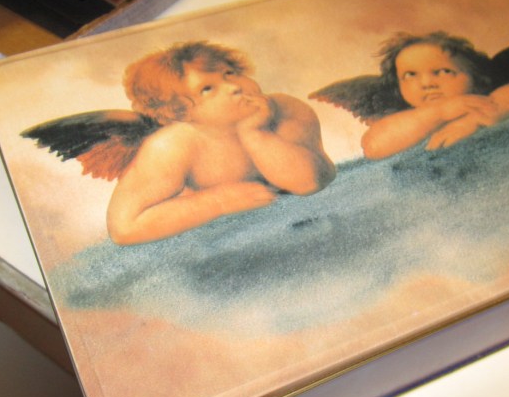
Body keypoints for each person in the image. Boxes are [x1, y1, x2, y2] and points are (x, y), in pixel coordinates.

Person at [104, 42, 336, 245]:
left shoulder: (285, 110)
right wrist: (217, 202)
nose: (234, 87)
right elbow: (123, 228)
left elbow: (311, 182)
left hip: (298, 227)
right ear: (180, 111)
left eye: (230, 73)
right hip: (217, 242)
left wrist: (256, 133)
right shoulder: (171, 146)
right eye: (207, 89)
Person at [310, 31, 509, 159]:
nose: (427, 83)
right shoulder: (408, 119)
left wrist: (477, 119)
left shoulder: (488, 98)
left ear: (478, 78)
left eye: (443, 72)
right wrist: (438, 112)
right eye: (410, 75)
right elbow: (374, 146)